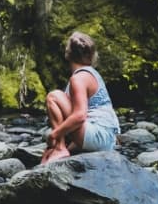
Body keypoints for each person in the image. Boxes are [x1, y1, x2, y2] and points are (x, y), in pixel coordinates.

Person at [41, 31, 120, 164]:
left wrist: (55, 134)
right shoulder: (93, 74)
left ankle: (60, 148)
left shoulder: (78, 78)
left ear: (68, 53)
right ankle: (61, 148)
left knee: (53, 96)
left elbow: (80, 116)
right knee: (51, 156)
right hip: (107, 138)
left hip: (97, 136)